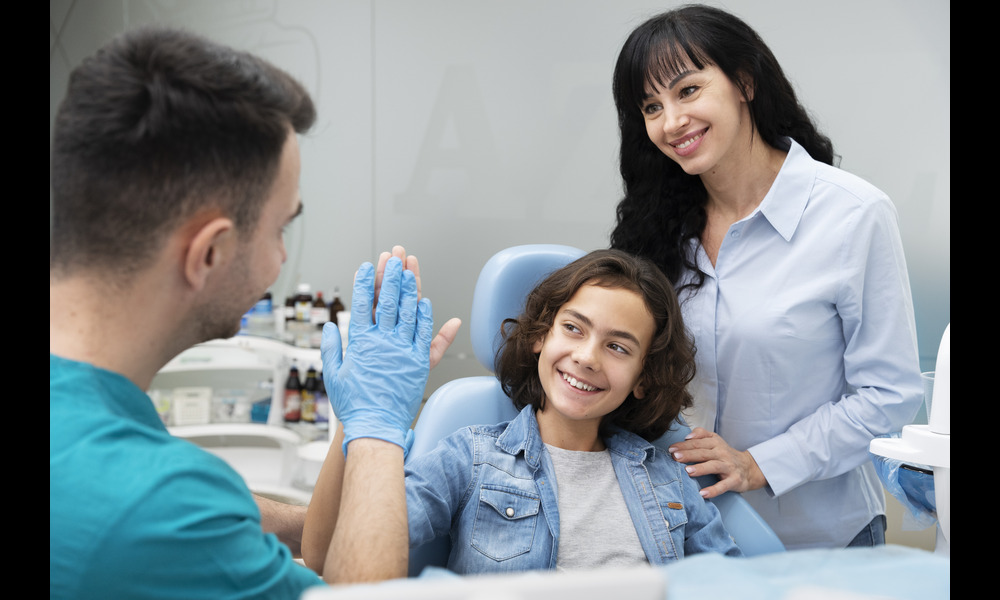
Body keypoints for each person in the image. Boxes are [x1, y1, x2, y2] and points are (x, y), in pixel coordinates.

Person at [50, 25, 460, 597]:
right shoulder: (155, 506)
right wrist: (376, 430)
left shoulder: (105, 445)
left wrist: (294, 524)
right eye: (279, 228)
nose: (282, 258)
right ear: (210, 252)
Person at [608, 4, 923, 550]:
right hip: (685, 536)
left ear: (745, 83)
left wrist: (759, 465)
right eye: (651, 107)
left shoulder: (853, 214)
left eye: (687, 91)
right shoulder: (655, 230)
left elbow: (890, 395)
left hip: (819, 541)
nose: (670, 122)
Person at [303, 249, 742, 576]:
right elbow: (328, 556)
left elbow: (733, 586)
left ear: (643, 378)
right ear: (539, 336)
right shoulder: (470, 458)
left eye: (617, 346)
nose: (588, 357)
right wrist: (361, 416)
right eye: (573, 328)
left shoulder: (666, 475)